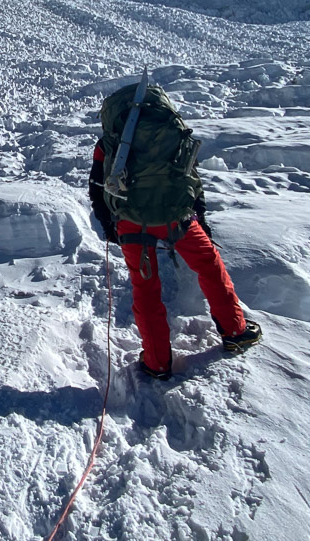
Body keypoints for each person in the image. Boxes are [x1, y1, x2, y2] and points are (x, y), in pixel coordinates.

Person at [89, 85, 261, 381]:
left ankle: (157, 363)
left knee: (146, 288)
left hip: (133, 221)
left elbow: (97, 186)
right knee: (209, 265)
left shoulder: (110, 143)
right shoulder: (171, 131)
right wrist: (199, 216)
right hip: (178, 216)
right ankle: (236, 331)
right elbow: (191, 175)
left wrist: (110, 224)